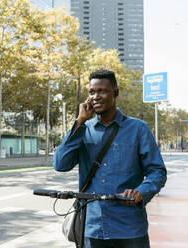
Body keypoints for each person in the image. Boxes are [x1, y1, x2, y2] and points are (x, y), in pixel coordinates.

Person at [54, 69, 167, 248]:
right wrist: (79, 122)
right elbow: (60, 164)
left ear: (115, 92)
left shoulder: (138, 129)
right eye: (92, 92)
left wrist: (141, 192)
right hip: (91, 228)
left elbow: (157, 171)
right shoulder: (83, 129)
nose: (95, 97)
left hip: (129, 228)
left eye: (102, 91)